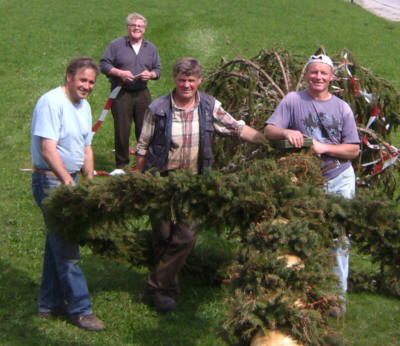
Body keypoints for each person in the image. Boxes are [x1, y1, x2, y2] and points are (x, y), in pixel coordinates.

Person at [136, 57, 265, 313]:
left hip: (195, 181)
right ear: (175, 79)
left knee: (185, 237)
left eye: (191, 80)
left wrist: (265, 140)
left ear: (199, 81)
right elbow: (142, 146)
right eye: (182, 80)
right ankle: (167, 293)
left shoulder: (208, 106)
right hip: (162, 180)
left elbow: (236, 127)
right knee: (163, 237)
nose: (186, 85)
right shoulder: (158, 108)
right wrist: (140, 182)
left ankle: (153, 285)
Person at [264, 54, 360, 317]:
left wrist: (324, 147)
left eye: (323, 73)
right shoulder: (293, 101)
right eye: (313, 72)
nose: (318, 77)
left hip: (338, 178)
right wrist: (286, 132)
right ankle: (300, 295)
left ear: (332, 77)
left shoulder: (342, 108)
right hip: (305, 182)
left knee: (339, 238)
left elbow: (353, 150)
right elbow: (269, 130)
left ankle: (337, 301)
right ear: (307, 74)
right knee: (300, 235)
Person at [31, 57, 105, 331]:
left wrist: (89, 179)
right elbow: (49, 149)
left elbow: (86, 147)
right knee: (68, 248)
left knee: (56, 245)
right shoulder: (51, 102)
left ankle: (49, 304)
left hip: (70, 180)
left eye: (91, 82)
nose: (86, 86)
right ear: (69, 77)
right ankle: (81, 309)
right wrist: (66, 181)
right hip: (51, 182)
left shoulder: (83, 106)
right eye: (82, 80)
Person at [100, 12, 162, 170]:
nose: (137, 28)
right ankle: (122, 165)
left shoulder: (151, 48)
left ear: (145, 29)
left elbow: (158, 69)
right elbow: (104, 65)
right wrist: (120, 73)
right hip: (121, 93)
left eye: (140, 26)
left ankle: (145, 163)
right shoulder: (116, 45)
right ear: (128, 28)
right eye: (133, 25)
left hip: (142, 92)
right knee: (122, 129)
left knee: (145, 129)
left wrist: (151, 75)